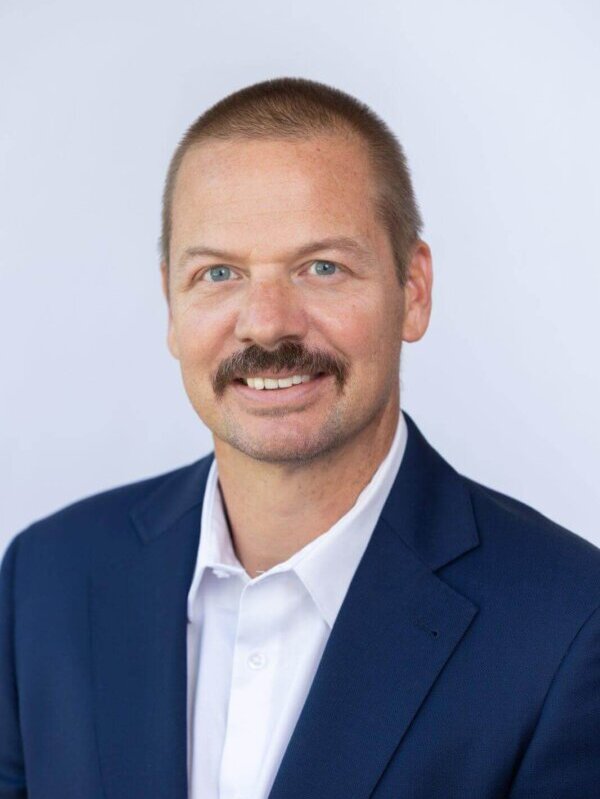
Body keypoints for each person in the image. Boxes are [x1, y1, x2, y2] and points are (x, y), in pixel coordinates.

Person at [1, 77, 599, 799]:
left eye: (321, 267)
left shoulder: (568, 624)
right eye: (217, 272)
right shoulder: (46, 579)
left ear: (413, 290)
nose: (267, 323)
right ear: (171, 302)